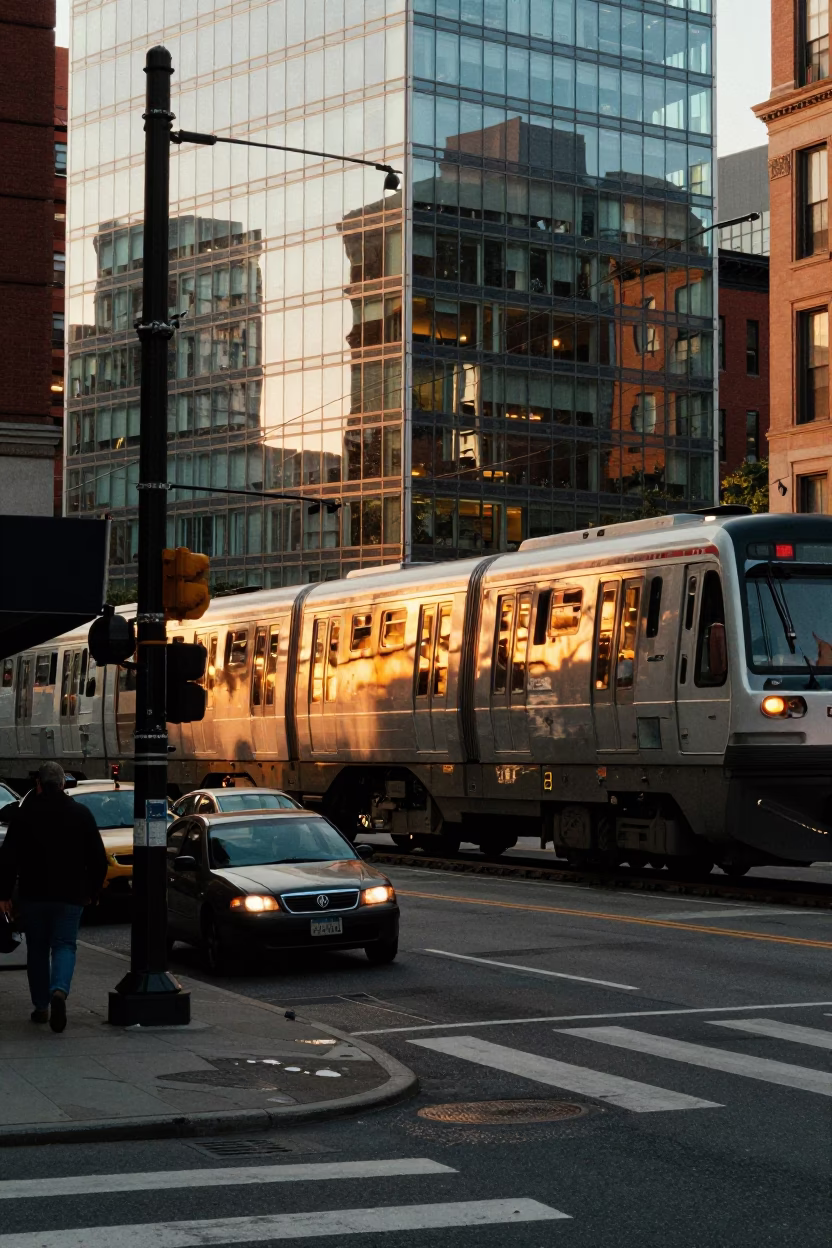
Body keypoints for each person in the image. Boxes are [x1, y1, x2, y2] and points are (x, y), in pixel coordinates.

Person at [0, 762, 107, 1032]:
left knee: (37, 950)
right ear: (62, 784)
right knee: (65, 945)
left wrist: (4, 894)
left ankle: (41, 1006)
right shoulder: (81, 814)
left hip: (33, 895)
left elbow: (8, 859)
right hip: (71, 895)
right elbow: (98, 858)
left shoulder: (24, 816)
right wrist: (93, 891)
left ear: (38, 785)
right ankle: (59, 989)